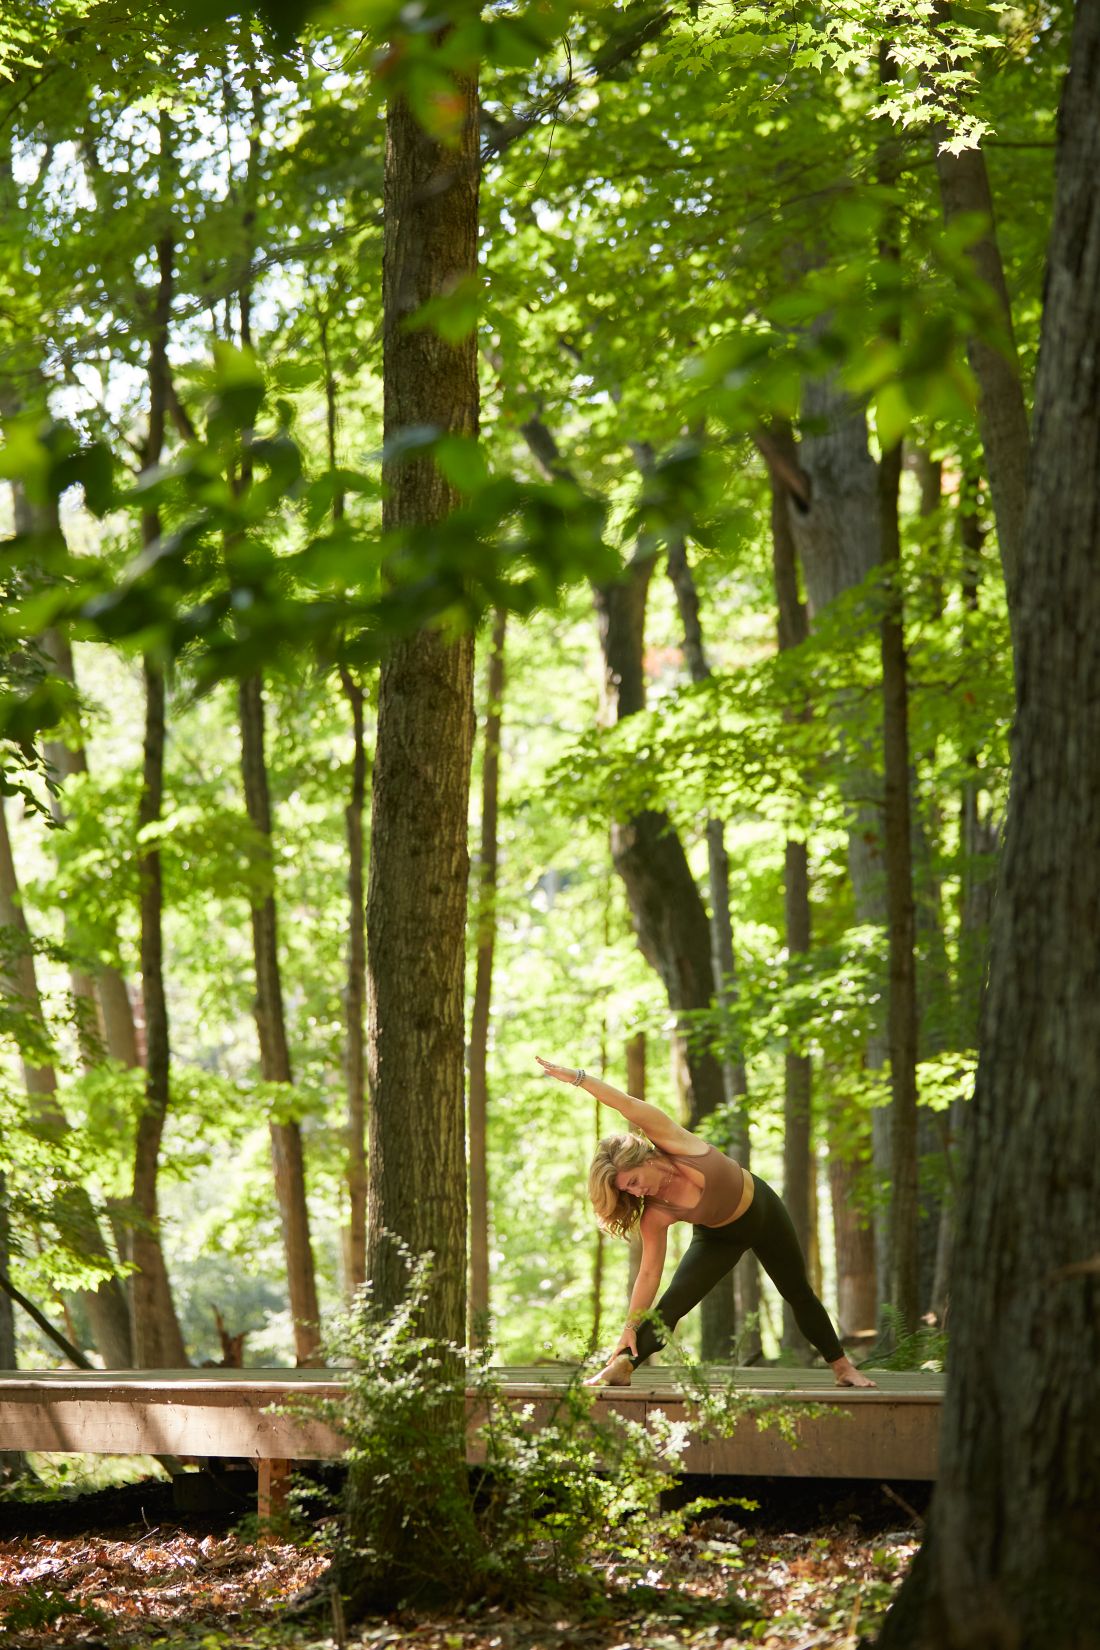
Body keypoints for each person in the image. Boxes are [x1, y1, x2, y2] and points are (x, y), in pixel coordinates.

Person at [537, 1056, 875, 1389]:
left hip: (763, 1209)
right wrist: (630, 1325)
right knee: (671, 1304)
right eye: (629, 1191)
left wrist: (577, 1078)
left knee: (798, 1292)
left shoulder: (673, 1141)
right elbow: (649, 1273)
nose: (638, 1192)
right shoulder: (655, 1213)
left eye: (635, 1181)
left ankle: (843, 1367)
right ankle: (624, 1365)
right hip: (719, 1238)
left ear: (646, 1158)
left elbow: (625, 1104)